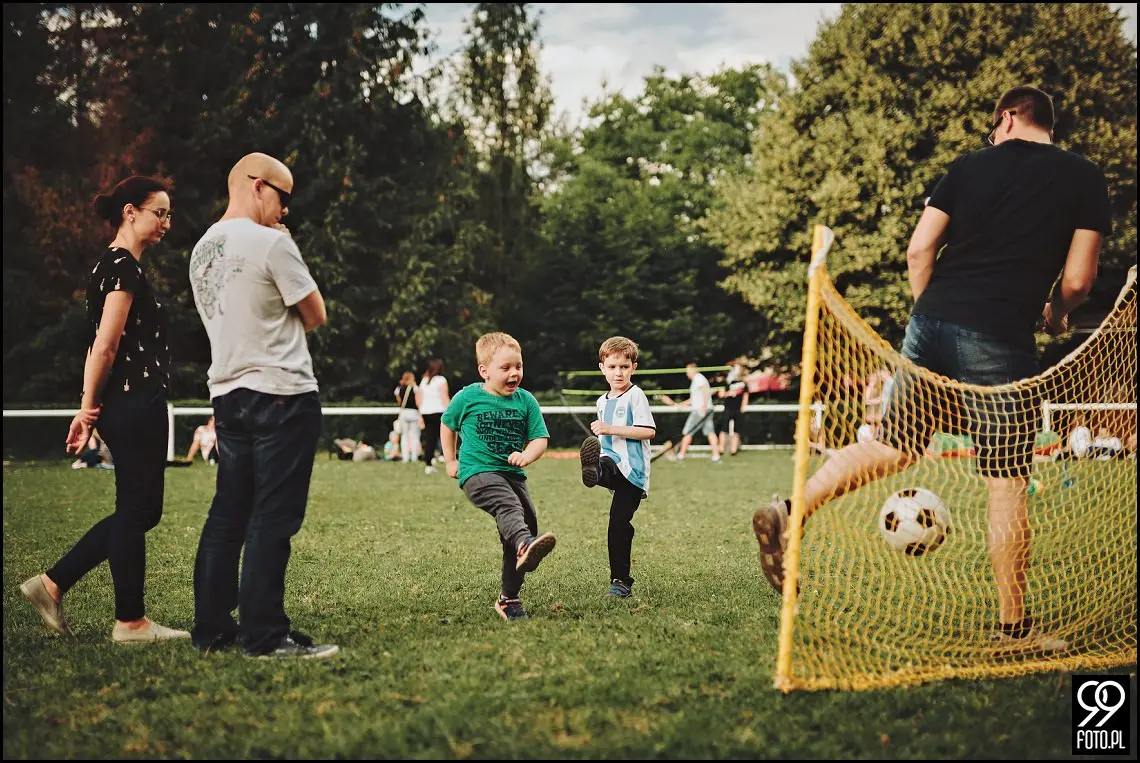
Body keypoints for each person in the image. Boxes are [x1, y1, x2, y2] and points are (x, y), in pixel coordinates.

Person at [753, 86, 1110, 653]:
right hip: (1000, 336)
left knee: (893, 444)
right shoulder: (1084, 177)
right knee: (1007, 480)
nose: (992, 138)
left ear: (1008, 116)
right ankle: (1014, 630)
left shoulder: (967, 167)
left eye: (994, 127)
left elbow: (920, 251)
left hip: (930, 324)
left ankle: (791, 510)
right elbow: (1078, 282)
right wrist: (1057, 315)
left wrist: (929, 315)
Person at [19, 175, 189, 643]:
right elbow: (106, 345)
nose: (167, 223)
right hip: (135, 401)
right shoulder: (123, 268)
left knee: (139, 510)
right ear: (130, 211)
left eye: (169, 214)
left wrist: (91, 409)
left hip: (130, 401)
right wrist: (86, 410)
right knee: (137, 511)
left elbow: (104, 345)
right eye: (160, 212)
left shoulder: (109, 265)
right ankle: (129, 622)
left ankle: (52, 584)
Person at [188, 152, 337, 659]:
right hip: (283, 391)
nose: (286, 211)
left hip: (227, 392)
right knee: (273, 515)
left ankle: (211, 627)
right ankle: (265, 635)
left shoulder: (201, 248)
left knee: (228, 511)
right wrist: (286, 247)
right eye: (284, 197)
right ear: (256, 186)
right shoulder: (273, 243)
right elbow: (315, 314)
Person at [440, 332, 556, 621]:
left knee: (525, 522)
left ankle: (509, 599)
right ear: (485, 371)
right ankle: (524, 544)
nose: (514, 373)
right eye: (505, 368)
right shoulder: (468, 396)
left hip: (513, 475)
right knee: (509, 508)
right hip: (477, 472)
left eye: (518, 366)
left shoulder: (526, 401)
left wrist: (527, 456)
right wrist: (451, 460)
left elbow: (540, 438)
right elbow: (447, 423)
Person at [578, 336, 656, 598]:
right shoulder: (602, 401)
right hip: (611, 461)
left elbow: (648, 431)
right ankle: (595, 472)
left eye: (624, 366)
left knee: (618, 524)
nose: (618, 372)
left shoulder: (636, 396)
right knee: (602, 462)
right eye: (612, 367)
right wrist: (602, 436)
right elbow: (605, 439)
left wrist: (611, 429)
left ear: (633, 367)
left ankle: (621, 581)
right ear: (602, 368)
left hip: (632, 474)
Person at [662, 362, 721, 462]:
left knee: (687, 432)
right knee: (710, 432)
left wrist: (704, 406)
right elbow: (693, 399)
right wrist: (680, 404)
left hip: (699, 411)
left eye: (688, 371)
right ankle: (716, 456)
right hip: (706, 409)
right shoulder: (698, 380)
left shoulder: (698, 379)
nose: (687, 374)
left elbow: (705, 391)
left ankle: (681, 455)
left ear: (693, 370)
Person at [417, 358, 450, 474]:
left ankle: (429, 461)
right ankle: (441, 458)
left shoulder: (424, 381)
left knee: (429, 438)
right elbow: (444, 398)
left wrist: (420, 414)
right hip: (438, 411)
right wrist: (451, 411)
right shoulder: (441, 380)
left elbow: (420, 399)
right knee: (442, 437)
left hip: (426, 412)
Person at [717, 358, 750, 456]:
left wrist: (744, 406)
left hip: (738, 408)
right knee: (724, 428)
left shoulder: (743, 383)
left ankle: (734, 450)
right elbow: (721, 394)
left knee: (737, 429)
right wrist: (729, 394)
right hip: (728, 407)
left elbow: (746, 394)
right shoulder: (727, 382)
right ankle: (721, 448)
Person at [394, 371, 421, 465]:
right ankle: (414, 457)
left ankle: (405, 457)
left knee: (404, 436)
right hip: (414, 413)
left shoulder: (399, 389)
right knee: (415, 436)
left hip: (404, 413)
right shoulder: (415, 388)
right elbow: (418, 401)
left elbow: (399, 401)